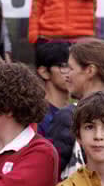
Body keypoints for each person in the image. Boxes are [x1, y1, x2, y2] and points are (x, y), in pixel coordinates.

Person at [34, 41, 79, 176]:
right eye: (64, 66)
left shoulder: (77, 110)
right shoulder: (37, 116)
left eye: (74, 67)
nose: (70, 73)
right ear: (44, 72)